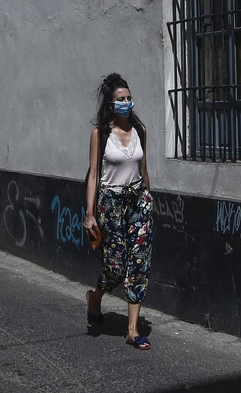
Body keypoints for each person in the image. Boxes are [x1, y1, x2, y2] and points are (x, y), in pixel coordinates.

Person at [83, 73, 154, 349]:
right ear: (111, 104)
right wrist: (90, 214)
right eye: (121, 99)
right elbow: (93, 175)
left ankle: (132, 331)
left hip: (138, 202)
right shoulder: (100, 135)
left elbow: (143, 170)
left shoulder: (140, 131)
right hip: (110, 204)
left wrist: (149, 198)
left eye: (129, 98)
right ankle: (95, 297)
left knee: (139, 264)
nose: (127, 102)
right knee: (115, 266)